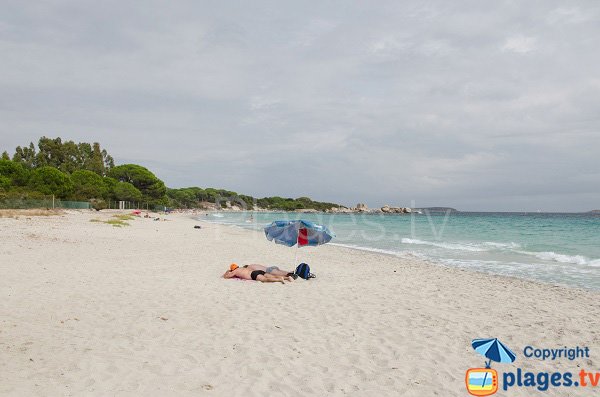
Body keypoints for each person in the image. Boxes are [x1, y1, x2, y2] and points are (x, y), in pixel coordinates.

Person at [223, 264, 293, 283]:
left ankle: (279, 280)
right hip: (257, 271)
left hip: (253, 275)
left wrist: (227, 272)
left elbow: (226, 277)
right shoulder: (243, 268)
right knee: (271, 276)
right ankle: (287, 278)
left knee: (265, 280)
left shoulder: (235, 271)